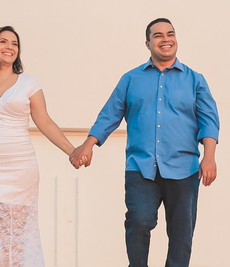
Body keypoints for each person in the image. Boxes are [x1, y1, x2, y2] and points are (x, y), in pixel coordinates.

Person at [70, 18, 219, 267]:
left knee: (181, 235)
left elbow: (209, 121)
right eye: (158, 35)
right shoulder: (131, 79)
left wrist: (209, 156)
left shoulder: (195, 80)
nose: (165, 39)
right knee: (138, 221)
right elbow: (110, 114)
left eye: (170, 34)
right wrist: (89, 144)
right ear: (148, 43)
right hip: (141, 166)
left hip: (184, 168)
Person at [0, 25, 77, 267]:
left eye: (14, 43)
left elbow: (45, 122)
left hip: (20, 171)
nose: (9, 47)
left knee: (15, 241)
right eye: (3, 41)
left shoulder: (29, 83)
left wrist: (72, 151)